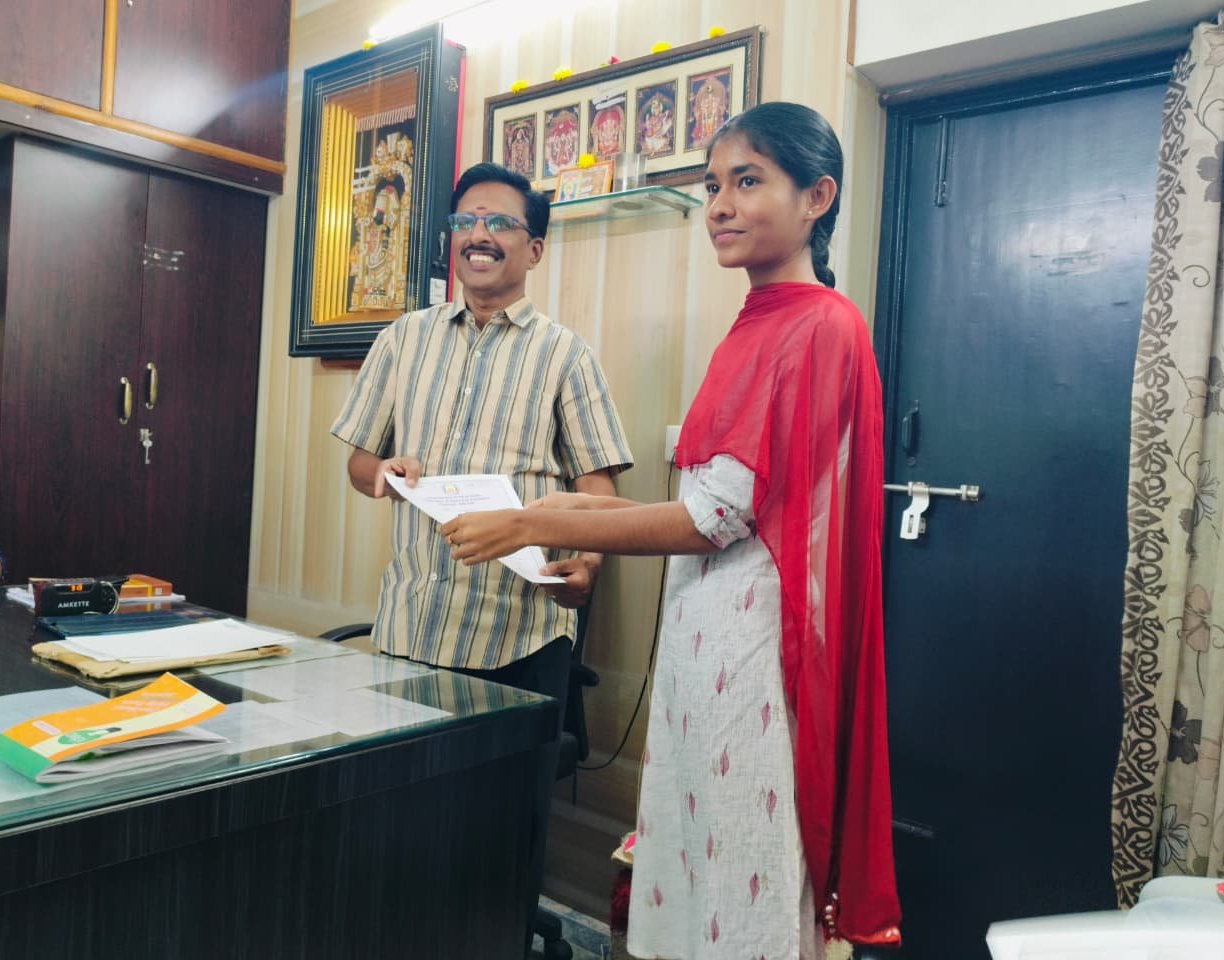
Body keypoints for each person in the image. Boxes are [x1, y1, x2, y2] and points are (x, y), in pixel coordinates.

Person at [441, 103, 901, 957]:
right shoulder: (762, 319)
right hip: (705, 643)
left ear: (817, 197)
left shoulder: (820, 324)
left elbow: (710, 521)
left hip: (752, 657)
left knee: (739, 886)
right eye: (712, 185)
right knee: (696, 873)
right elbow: (722, 502)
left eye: (747, 181)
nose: (719, 205)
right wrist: (575, 509)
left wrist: (532, 519)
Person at [331, 161, 634, 951]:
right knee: (403, 822)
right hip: (413, 626)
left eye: (500, 223)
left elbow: (598, 490)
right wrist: (385, 473)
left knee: (502, 837)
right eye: (466, 221)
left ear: (534, 249)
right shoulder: (402, 339)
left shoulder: (566, 356)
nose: (479, 235)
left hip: (519, 637)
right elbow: (359, 461)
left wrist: (587, 567)